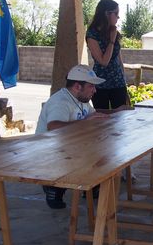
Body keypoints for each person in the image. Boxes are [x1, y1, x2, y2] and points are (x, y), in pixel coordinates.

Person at [36, 64, 130, 209]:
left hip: (66, 146)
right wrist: (84, 122)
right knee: (94, 150)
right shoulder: (61, 102)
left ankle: (91, 186)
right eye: (91, 86)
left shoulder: (80, 99)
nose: (95, 90)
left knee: (103, 145)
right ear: (77, 86)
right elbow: (53, 126)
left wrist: (116, 111)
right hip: (50, 151)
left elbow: (94, 115)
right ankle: (54, 187)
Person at [86, 0, 128, 110]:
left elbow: (119, 59)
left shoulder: (114, 31)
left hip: (118, 83)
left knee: (120, 119)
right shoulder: (92, 33)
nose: (118, 17)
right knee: (102, 119)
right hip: (100, 84)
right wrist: (112, 40)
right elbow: (103, 61)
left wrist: (123, 80)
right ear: (106, 13)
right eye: (116, 14)